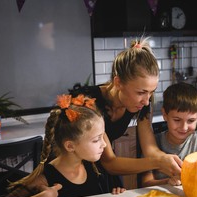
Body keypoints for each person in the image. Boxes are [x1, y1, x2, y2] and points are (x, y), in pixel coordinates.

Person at [0, 94, 125, 197]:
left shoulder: (95, 167)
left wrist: (114, 196)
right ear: (70, 146)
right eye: (96, 140)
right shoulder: (45, 178)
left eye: (103, 137)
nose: (104, 144)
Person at [70, 37, 182, 187]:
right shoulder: (88, 102)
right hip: (73, 174)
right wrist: (157, 162)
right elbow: (109, 162)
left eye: (151, 92)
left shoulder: (141, 103)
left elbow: (150, 149)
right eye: (141, 92)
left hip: (101, 172)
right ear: (118, 83)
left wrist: (169, 161)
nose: (147, 101)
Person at [141, 82, 197, 187]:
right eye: (177, 120)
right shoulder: (151, 145)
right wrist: (168, 181)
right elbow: (146, 183)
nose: (184, 127)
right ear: (165, 114)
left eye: (191, 120)